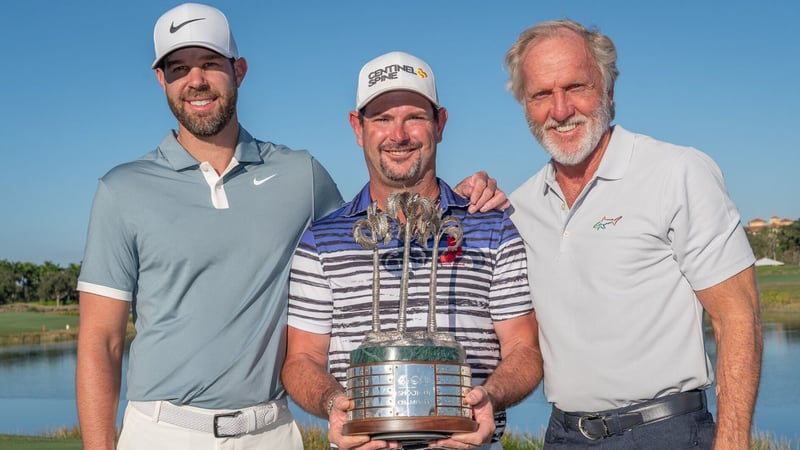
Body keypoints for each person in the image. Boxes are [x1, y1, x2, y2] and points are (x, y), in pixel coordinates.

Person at [74, 5, 505, 450]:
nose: (196, 80)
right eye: (179, 68)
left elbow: (380, 231)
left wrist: (471, 197)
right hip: (163, 431)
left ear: (238, 71)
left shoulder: (301, 175)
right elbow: (101, 343)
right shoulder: (122, 189)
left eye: (211, 65)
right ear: (162, 80)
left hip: (271, 432)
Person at [504, 20, 762, 449]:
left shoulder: (676, 171)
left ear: (608, 91)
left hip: (664, 433)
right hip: (563, 436)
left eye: (576, 87)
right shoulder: (520, 205)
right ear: (526, 106)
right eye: (541, 95)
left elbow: (739, 316)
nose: (561, 109)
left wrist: (732, 443)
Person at [281, 51, 542, 450]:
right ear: (358, 127)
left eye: (414, 117)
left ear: (440, 124)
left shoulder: (493, 228)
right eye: (382, 118)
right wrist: (335, 404)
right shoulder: (321, 240)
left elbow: (524, 349)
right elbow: (302, 360)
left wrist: (489, 398)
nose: (398, 135)